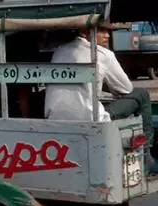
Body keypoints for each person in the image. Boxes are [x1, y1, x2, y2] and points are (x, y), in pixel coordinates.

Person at [45, 23, 158, 172]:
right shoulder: (104, 54)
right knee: (141, 94)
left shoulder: (59, 51)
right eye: (102, 31)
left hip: (55, 116)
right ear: (85, 32)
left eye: (108, 31)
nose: (107, 35)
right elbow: (126, 88)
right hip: (91, 118)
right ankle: (146, 156)